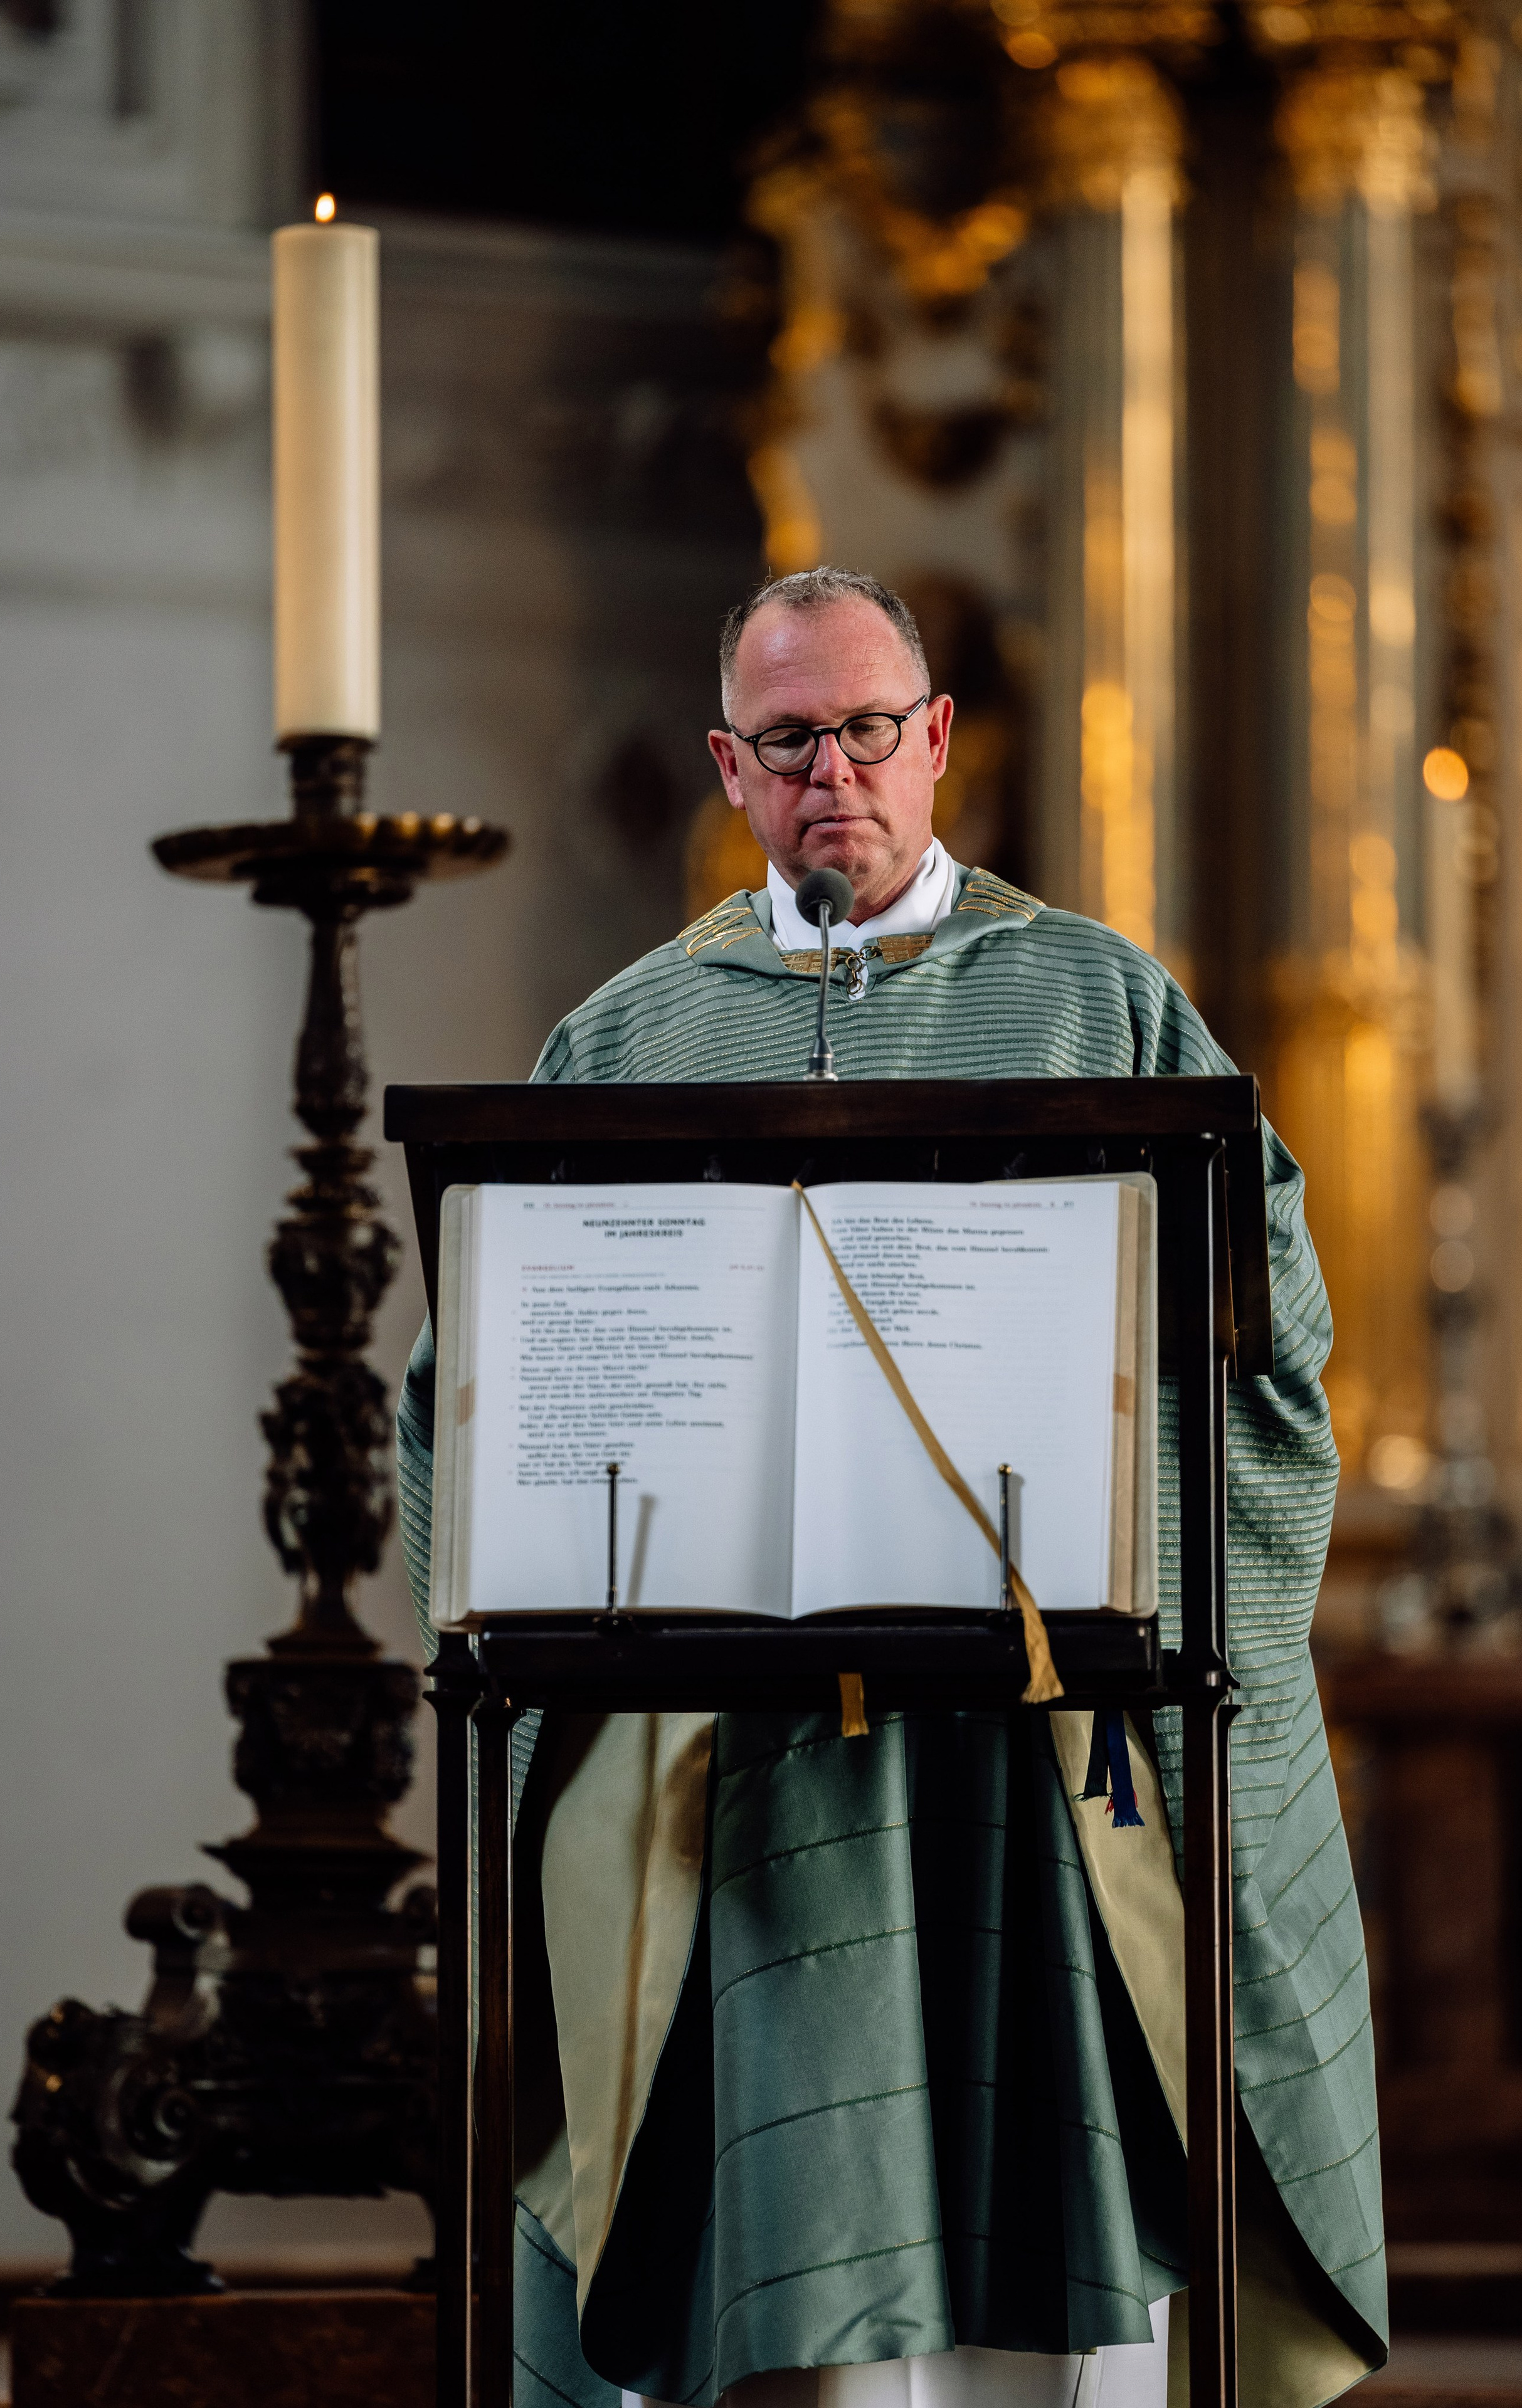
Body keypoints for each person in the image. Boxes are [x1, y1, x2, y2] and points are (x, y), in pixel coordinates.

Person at [397, 568, 1385, 2408]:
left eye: (868, 729)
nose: (832, 772)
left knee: (1052, 2249)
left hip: (1032, 1751)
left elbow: (1266, 1347)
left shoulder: (1105, 1008)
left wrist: (1130, 1551)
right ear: (730, 767)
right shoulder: (633, 1036)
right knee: (799, 2282)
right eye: (788, 742)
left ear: (937, 742)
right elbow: (465, 1395)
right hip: (753, 1765)